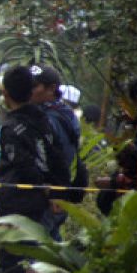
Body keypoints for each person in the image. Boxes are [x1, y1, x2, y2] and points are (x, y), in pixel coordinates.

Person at [0, 65, 69, 273]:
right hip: (41, 202)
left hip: (18, 202)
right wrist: (56, 191)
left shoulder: (10, 127)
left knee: (12, 258)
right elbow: (59, 158)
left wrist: (46, 190)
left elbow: (23, 164)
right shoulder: (44, 120)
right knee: (35, 251)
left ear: (6, 93)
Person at [32, 65, 81, 237]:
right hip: (59, 192)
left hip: (50, 196)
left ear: (51, 88)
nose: (30, 91)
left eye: (35, 86)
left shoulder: (50, 119)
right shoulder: (66, 113)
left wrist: (54, 191)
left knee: (37, 246)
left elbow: (57, 157)